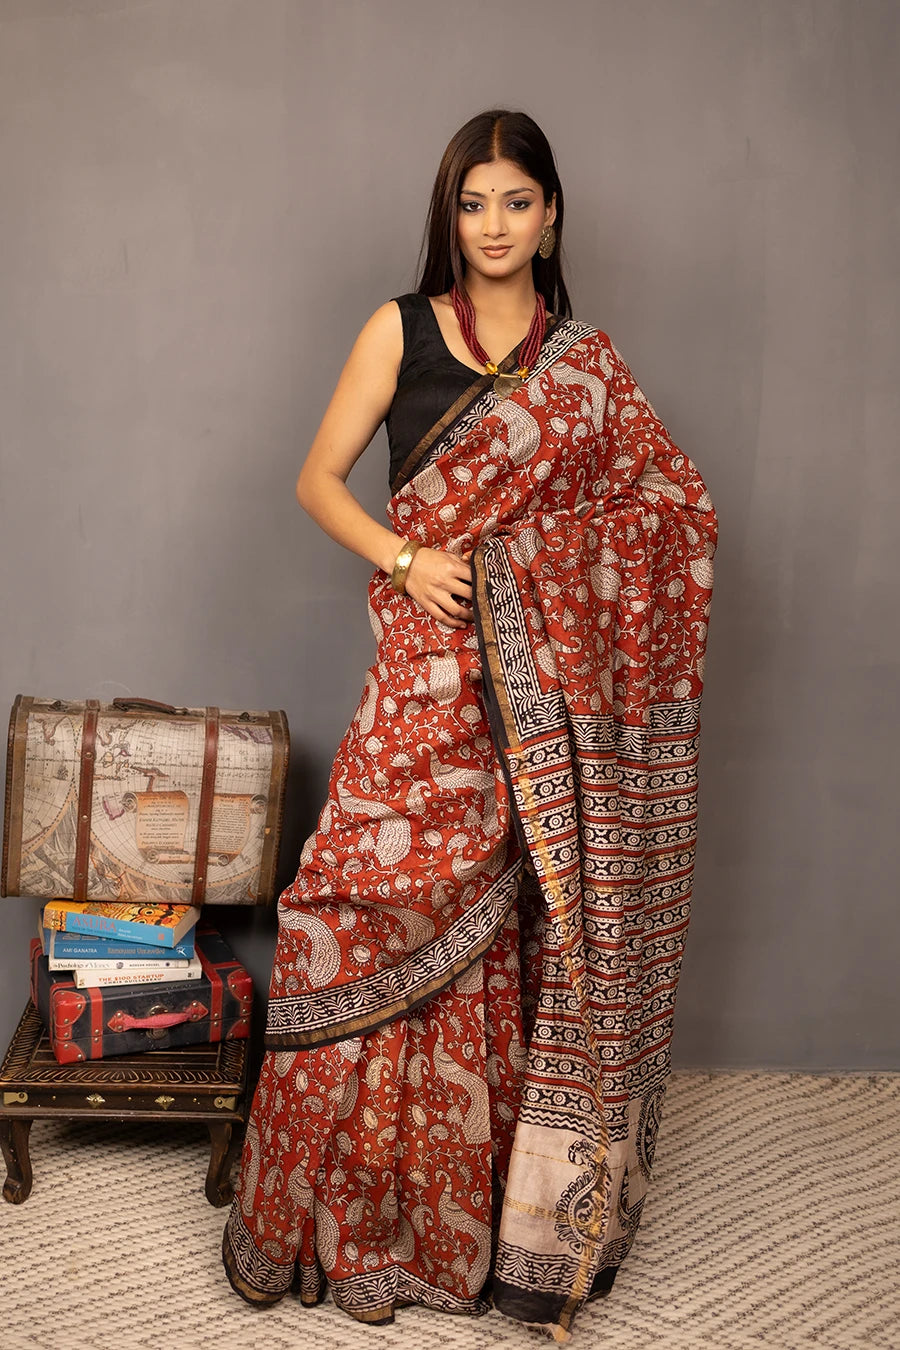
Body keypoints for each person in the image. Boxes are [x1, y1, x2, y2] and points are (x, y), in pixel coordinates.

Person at [222, 109, 717, 1343]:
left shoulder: (586, 366)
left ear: (552, 213)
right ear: (451, 218)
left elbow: (674, 512)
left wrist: (531, 564)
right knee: (354, 906)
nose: (493, 226)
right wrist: (409, 553)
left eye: (515, 201)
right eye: (471, 205)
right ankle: (322, 1215)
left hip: (540, 697)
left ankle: (455, 1231)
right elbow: (317, 479)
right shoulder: (401, 328)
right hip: (426, 675)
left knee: (502, 935)